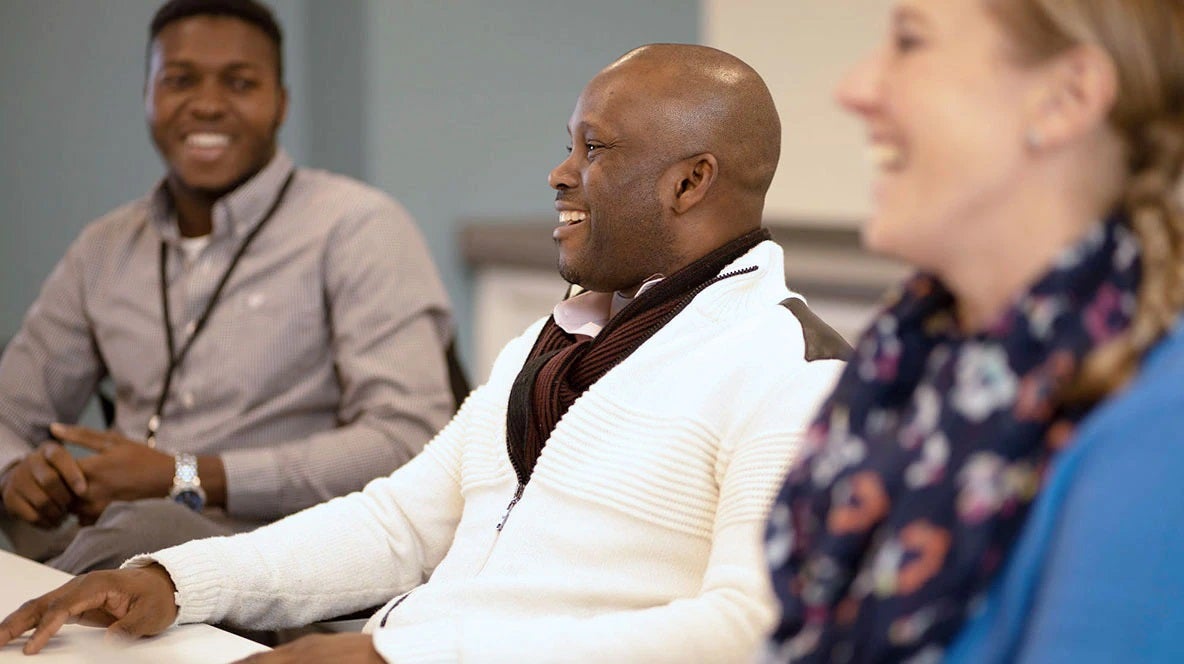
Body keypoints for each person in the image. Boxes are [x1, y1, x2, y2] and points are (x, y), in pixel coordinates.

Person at [0, 43, 849, 663]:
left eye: (594, 149)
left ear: (689, 182)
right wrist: (178, 581)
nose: (559, 174)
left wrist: (396, 661)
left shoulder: (794, 372)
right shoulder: (554, 343)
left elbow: (749, 629)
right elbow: (399, 523)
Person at [763, 0, 1184, 662]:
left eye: (910, 40)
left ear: (1065, 99)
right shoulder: (908, 369)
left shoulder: (1159, 432)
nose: (853, 90)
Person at [0, 0, 455, 574]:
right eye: (179, 81)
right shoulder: (104, 248)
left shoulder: (357, 228)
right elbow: (10, 412)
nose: (208, 104)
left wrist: (185, 476)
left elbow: (408, 439)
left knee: (142, 534)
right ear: (148, 95)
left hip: (272, 562)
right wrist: (16, 473)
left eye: (240, 83)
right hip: (104, 536)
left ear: (281, 104)